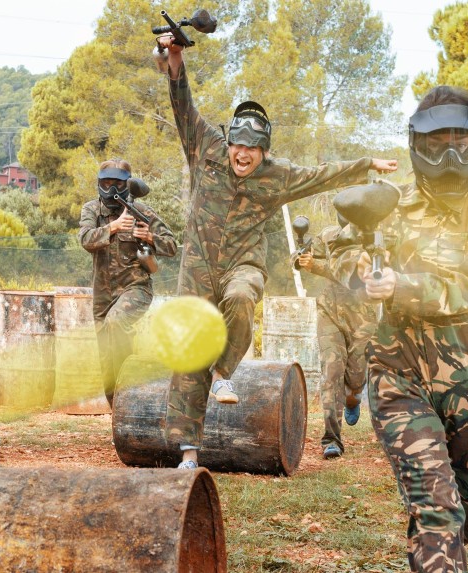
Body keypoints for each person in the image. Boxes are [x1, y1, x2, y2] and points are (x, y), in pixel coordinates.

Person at [156, 35, 397, 470]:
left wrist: (365, 165)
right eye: (237, 145)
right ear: (228, 141)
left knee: (244, 296)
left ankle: (223, 371)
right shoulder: (205, 147)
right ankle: (188, 452)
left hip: (242, 264)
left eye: (251, 148)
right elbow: (181, 103)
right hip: (196, 268)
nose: (241, 154)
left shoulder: (276, 176)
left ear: (263, 150)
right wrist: (174, 56)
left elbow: (320, 175)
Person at [356, 87, 468, 572]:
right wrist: (359, 269)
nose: (449, 153)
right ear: (416, 145)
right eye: (437, 142)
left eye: (461, 142)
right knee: (435, 506)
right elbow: (344, 250)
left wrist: (401, 285)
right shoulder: (391, 203)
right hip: (397, 368)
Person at [79, 158, 178, 409]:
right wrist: (113, 227)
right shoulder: (92, 210)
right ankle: (119, 410)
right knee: (106, 356)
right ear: (99, 184)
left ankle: (129, 387)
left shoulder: (142, 212)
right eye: (106, 182)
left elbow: (172, 245)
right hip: (103, 294)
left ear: (127, 184)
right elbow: (86, 239)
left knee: (117, 322)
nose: (111, 188)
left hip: (136, 288)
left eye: (117, 183)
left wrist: (150, 236)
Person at [294, 215, 376, 460]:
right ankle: (331, 439)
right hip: (330, 311)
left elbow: (353, 274)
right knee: (331, 372)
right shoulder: (330, 235)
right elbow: (301, 256)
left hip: (363, 318)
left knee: (355, 377)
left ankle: (353, 397)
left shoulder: (375, 240)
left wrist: (317, 267)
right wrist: (301, 258)